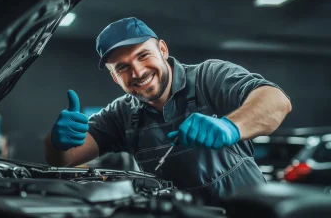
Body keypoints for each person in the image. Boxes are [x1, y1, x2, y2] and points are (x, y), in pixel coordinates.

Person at [44, 17, 292, 206]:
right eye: (123, 67)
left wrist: (231, 126)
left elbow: (276, 101)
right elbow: (62, 160)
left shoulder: (209, 77)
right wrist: (56, 143)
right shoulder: (120, 114)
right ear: (113, 76)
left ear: (163, 50)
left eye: (143, 55)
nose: (138, 72)